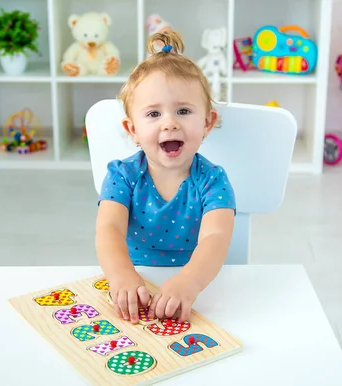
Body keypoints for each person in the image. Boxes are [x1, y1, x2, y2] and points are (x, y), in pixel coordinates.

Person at [95, 30, 236, 326]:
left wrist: (189, 281)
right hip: (136, 286)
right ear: (132, 129)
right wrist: (121, 274)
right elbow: (108, 228)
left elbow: (216, 238)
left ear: (208, 122)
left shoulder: (212, 181)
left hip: (200, 289)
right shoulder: (122, 175)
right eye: (153, 114)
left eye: (183, 111)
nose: (170, 123)